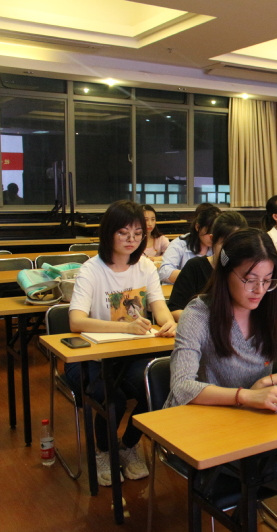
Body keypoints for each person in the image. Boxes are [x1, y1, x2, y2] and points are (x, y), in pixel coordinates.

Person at [165, 228, 277, 532]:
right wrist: (245, 395)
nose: (259, 289)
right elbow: (181, 386)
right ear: (225, 271)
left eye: (268, 280)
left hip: (257, 426)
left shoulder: (275, 306)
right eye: (250, 279)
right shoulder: (199, 313)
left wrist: (267, 383)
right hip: (207, 430)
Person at [65, 200, 177, 487]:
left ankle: (128, 445)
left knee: (157, 389)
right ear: (109, 233)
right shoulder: (92, 269)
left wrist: (168, 323)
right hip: (92, 358)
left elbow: (159, 306)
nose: (131, 240)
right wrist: (124, 327)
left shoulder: (145, 266)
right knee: (111, 397)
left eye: (138, 234)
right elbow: (76, 321)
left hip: (132, 355)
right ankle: (104, 451)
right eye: (123, 233)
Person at [168, 211, 248, 321]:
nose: (231, 251)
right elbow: (174, 310)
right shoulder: (195, 267)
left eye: (237, 245)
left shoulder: (248, 271)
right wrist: (205, 322)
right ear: (212, 239)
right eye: (224, 244)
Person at [159, 205, 221, 283]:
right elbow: (164, 272)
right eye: (209, 232)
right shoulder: (180, 244)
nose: (213, 237)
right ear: (197, 227)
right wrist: (193, 275)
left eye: (217, 233)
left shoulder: (221, 244)